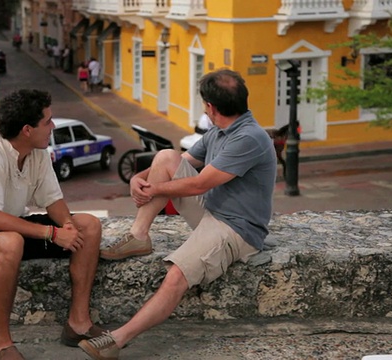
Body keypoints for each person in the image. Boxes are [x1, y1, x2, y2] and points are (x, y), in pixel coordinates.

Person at [77, 69, 277, 359]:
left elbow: (199, 184)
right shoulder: (219, 130)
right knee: (165, 156)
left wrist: (153, 189)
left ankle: (116, 341)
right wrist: (139, 178)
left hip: (235, 229)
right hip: (211, 210)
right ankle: (138, 235)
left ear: (210, 107)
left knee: (176, 276)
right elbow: (181, 161)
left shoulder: (249, 138)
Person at [0, 89, 105, 360]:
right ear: (27, 130)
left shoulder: (37, 153)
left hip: (13, 225)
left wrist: (66, 227)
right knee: (11, 241)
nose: (53, 127)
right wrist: (51, 233)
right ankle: (1, 343)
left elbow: (53, 202)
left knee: (88, 226)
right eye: (48, 122)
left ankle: (78, 323)